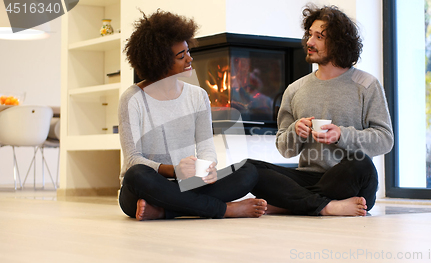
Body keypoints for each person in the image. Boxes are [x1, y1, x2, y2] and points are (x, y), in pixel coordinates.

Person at [118, 10, 267, 221]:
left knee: (248, 172)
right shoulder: (132, 99)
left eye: (188, 51)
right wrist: (175, 170)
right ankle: (225, 209)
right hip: (148, 185)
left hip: (189, 185)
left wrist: (207, 168)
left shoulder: (198, 95)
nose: (190, 58)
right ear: (159, 61)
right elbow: (133, 160)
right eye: (181, 56)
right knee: (137, 175)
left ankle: (166, 211)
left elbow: (206, 146)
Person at [249, 4, 394, 216]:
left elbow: (385, 139)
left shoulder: (366, 84)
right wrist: (295, 132)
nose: (309, 42)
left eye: (319, 36)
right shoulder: (295, 89)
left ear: (338, 43)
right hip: (308, 176)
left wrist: (341, 135)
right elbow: (284, 149)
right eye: (309, 35)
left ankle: (290, 203)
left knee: (361, 164)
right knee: (251, 170)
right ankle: (324, 206)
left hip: (350, 177)